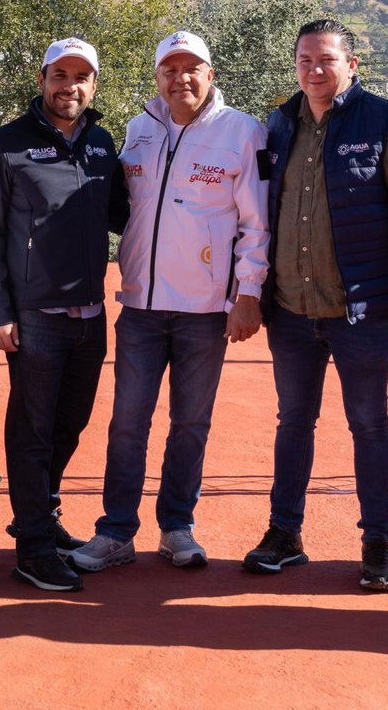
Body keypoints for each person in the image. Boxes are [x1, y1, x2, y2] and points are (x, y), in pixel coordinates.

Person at [68, 30, 269, 573]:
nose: (181, 78)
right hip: (140, 307)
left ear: (210, 74)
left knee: (190, 424)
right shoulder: (139, 129)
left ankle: (177, 526)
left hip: (205, 311)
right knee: (127, 423)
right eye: (170, 69)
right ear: (157, 76)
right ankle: (115, 532)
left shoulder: (242, 131)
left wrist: (248, 293)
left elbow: (256, 223)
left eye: (191, 68)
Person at [245, 19, 388, 591]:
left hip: (362, 312)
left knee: (369, 424)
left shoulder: (387, 121)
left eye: (326, 59)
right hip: (291, 310)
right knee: (293, 422)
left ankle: (377, 542)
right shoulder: (278, 124)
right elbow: (259, 209)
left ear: (352, 64)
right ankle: (285, 533)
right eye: (305, 60)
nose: (314, 69)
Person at [0, 37, 127, 592]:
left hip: (90, 314)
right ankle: (33, 547)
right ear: (42, 80)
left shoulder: (102, 143)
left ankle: (42, 514)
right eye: (59, 75)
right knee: (32, 431)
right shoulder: (4, 146)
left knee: (71, 423)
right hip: (34, 314)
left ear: (94, 85)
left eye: (81, 77)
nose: (70, 86)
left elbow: (123, 215)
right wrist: (0, 311)